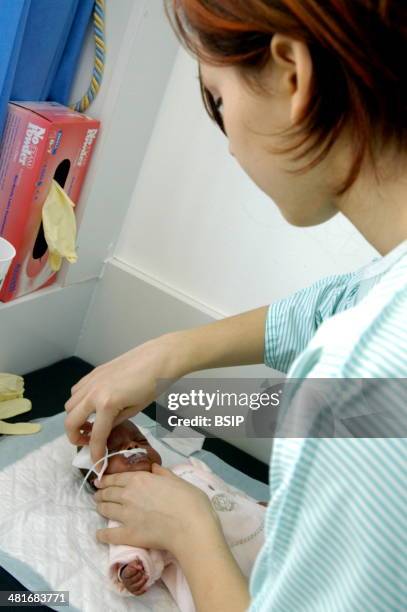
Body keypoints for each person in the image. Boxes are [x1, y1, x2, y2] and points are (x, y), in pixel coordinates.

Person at [65, 1, 407, 610]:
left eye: (219, 100)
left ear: (290, 76)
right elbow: (344, 300)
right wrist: (167, 353)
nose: (228, 146)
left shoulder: (360, 376)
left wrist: (189, 531)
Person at [75, 419, 266, 610]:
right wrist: (130, 569)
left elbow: (225, 494)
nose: (132, 446)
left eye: (140, 440)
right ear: (97, 480)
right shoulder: (125, 507)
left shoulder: (187, 469)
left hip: (267, 542)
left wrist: (253, 506)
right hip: (218, 582)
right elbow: (125, 545)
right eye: (115, 449)